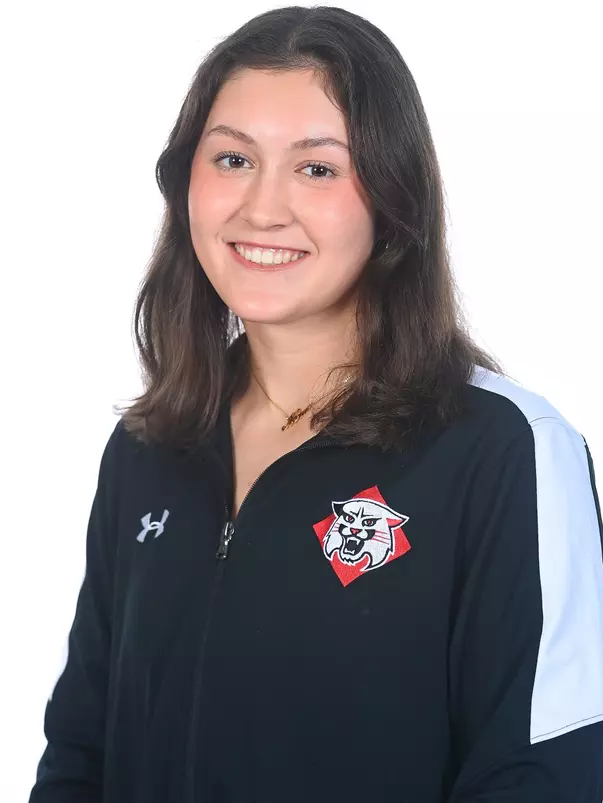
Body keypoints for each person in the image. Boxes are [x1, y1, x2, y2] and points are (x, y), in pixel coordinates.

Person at [29, 5, 603, 802]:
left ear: (392, 200)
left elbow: (544, 774)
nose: (261, 209)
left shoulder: (504, 449)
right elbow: (79, 751)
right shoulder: (149, 448)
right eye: (231, 159)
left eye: (317, 168)